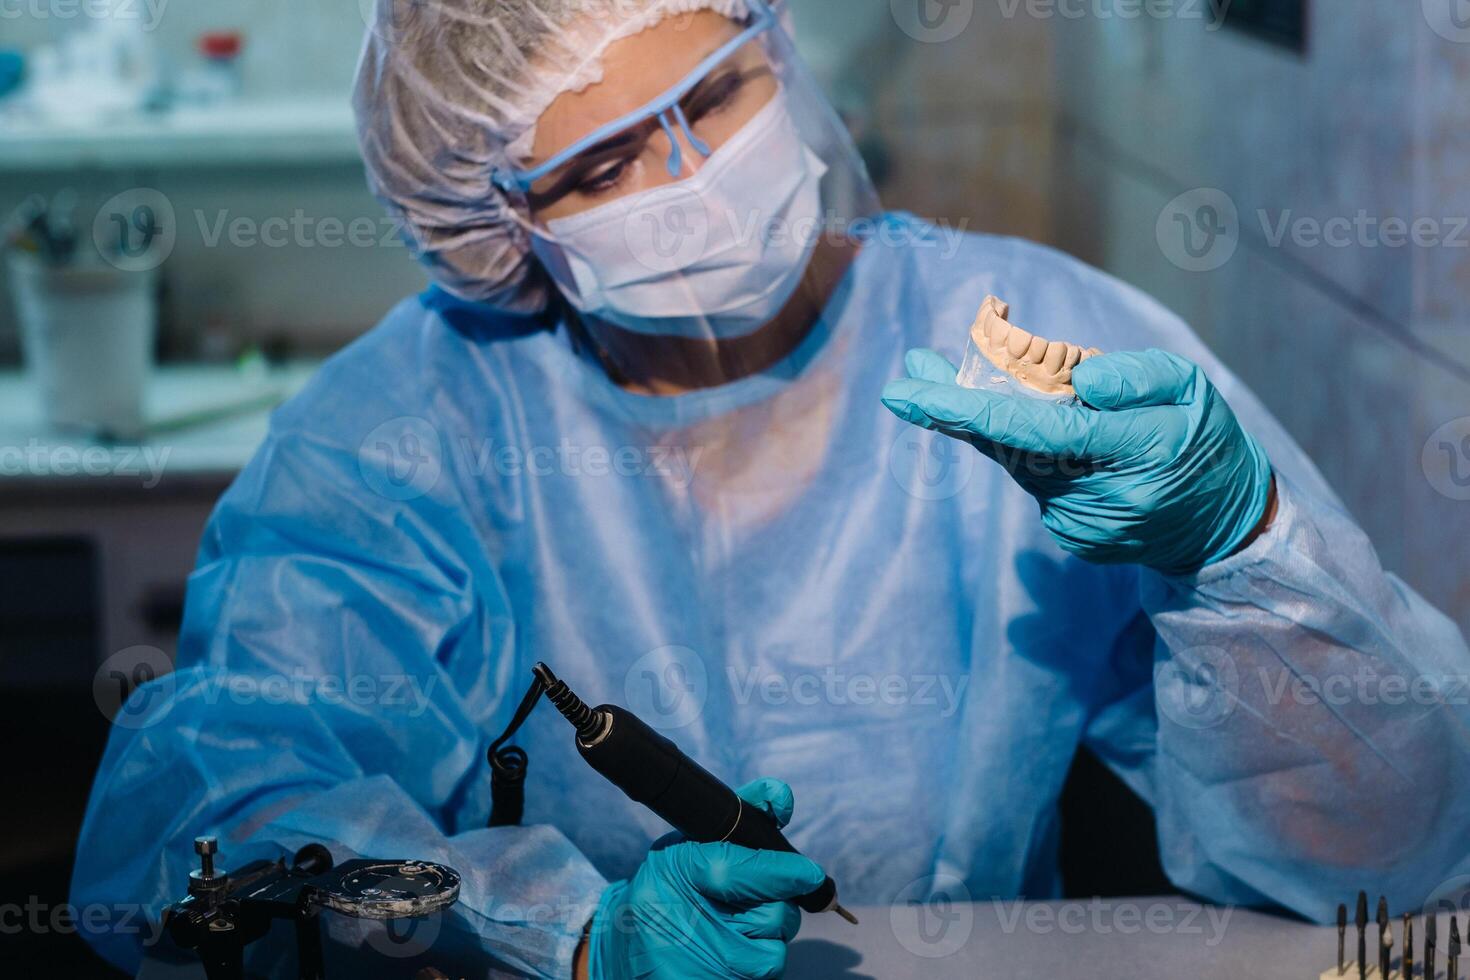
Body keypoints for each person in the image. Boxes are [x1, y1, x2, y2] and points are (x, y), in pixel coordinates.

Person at [73, 1, 1470, 978]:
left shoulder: (1037, 343)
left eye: (713, 95)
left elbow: (1385, 877)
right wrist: (555, 935)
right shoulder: (405, 434)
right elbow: (205, 837)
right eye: (600, 163)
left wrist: (1244, 559)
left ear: (776, 45)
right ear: (495, 222)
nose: (688, 176)